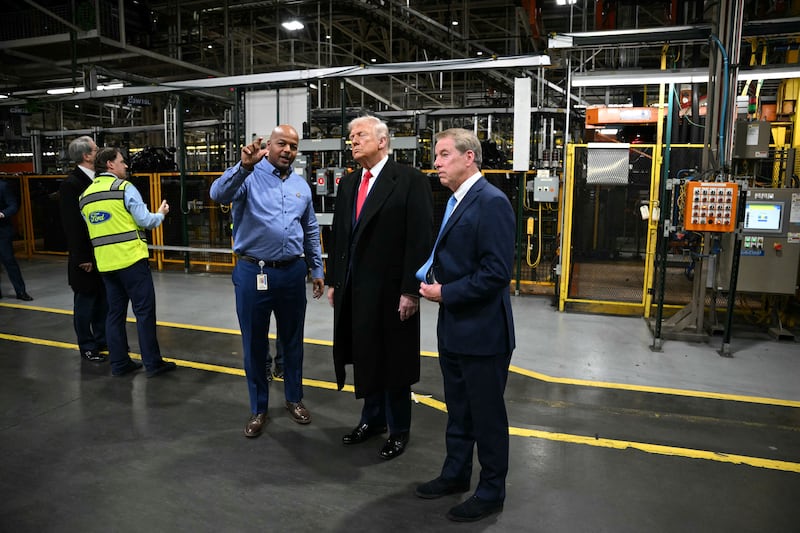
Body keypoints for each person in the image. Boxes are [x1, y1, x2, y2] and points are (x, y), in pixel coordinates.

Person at [414, 128, 516, 522]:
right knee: (458, 410)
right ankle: (455, 474)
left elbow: (495, 274)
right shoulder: (457, 200)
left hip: (483, 333)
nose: (436, 163)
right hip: (455, 328)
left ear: (468, 158)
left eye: (443, 155)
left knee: (486, 416)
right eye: (436, 155)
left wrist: (446, 293)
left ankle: (491, 490)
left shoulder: (491, 202)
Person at [326, 115, 434, 460]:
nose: (352, 141)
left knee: (394, 362)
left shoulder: (408, 180)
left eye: (359, 135)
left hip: (392, 292)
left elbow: (419, 239)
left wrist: (411, 289)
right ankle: (371, 419)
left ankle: (398, 428)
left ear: (383, 141)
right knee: (364, 354)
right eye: (350, 136)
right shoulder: (348, 184)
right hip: (356, 289)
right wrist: (334, 280)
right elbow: (341, 236)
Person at [210, 125, 324, 438]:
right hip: (252, 272)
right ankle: (259, 407)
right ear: (268, 145)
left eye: (293, 145)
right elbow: (217, 193)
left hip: (291, 273)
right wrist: (243, 166)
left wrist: (316, 269)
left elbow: (311, 229)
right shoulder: (247, 177)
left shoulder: (301, 185)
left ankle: (294, 398)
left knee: (293, 340)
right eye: (281, 144)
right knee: (254, 342)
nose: (288, 150)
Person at [79, 147, 176, 378]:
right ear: (110, 165)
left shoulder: (85, 197)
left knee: (114, 314)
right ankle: (153, 364)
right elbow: (145, 220)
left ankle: (120, 363)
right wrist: (161, 213)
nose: (125, 166)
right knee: (144, 313)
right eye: (122, 162)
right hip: (132, 260)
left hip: (106, 265)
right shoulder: (124, 188)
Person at [59, 136, 108, 362]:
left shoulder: (98, 179)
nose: (100, 153)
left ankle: (101, 339)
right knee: (85, 303)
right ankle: (87, 345)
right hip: (85, 256)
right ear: (87, 155)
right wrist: (82, 257)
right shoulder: (71, 184)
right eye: (96, 150)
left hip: (102, 254)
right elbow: (73, 225)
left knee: (101, 300)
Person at [0, 178, 33, 301]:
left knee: (9, 262)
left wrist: (2, 214)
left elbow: (13, 205)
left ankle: (21, 291)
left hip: (2, 232)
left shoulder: (3, 186)